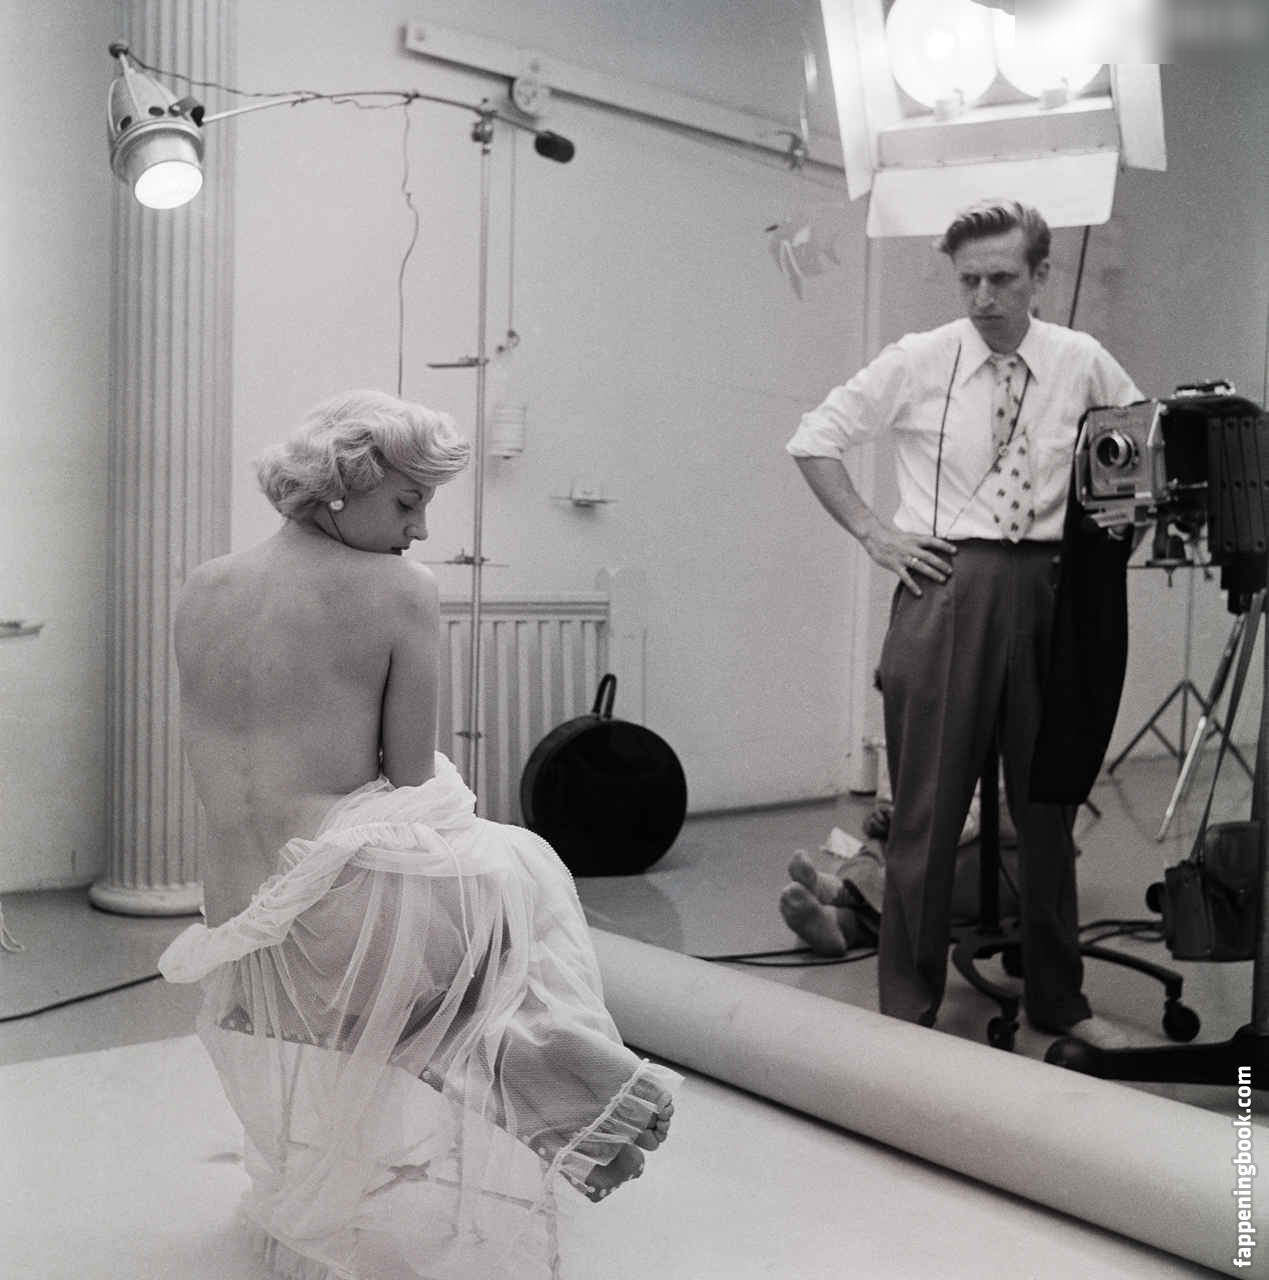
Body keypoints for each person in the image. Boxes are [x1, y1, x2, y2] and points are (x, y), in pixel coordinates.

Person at [157, 389, 678, 1280]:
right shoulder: (399, 590)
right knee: (519, 874)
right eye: (408, 502)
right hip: (337, 925)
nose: (422, 529)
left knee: (476, 890)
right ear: (339, 486)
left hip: (236, 921)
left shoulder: (203, 585)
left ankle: (539, 1078)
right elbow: (409, 783)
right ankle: (576, 1097)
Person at [782, 200, 1142, 1049]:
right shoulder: (920, 358)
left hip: (1049, 591)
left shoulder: (1081, 360)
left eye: (1001, 278)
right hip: (946, 585)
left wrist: (1106, 546)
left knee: (1046, 809)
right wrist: (875, 533)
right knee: (925, 813)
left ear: (1040, 276)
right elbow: (813, 439)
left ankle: (1058, 1000)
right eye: (968, 279)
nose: (982, 297)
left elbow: (1141, 444)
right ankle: (908, 1010)